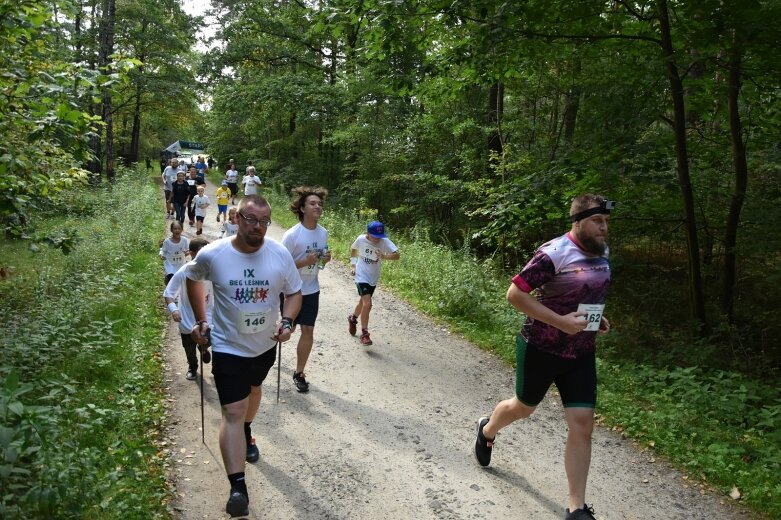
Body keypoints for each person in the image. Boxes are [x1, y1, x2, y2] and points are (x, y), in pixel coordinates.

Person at [473, 194, 613, 520]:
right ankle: (487, 430)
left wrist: (596, 319)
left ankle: (576, 507)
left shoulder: (602, 252)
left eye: (607, 222)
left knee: (582, 425)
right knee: (523, 408)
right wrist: (562, 322)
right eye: (598, 221)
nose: (605, 228)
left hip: (580, 353)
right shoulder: (554, 253)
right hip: (541, 347)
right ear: (578, 221)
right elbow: (515, 294)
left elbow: (587, 292)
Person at [186, 195, 302, 518]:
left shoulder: (278, 254)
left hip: (264, 346)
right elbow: (192, 278)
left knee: (253, 392)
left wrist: (289, 321)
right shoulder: (214, 254)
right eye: (251, 220)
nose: (258, 227)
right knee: (233, 409)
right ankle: (238, 487)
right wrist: (201, 320)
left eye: (264, 222)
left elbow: (294, 292)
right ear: (236, 218)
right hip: (227, 346)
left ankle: (248, 430)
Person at [281, 187, 331, 392]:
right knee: (288, 331)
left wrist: (324, 260)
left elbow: (319, 263)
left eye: (319, 204)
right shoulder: (292, 235)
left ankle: (299, 372)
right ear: (302, 208)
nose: (317, 206)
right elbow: (281, 267)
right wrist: (303, 262)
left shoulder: (323, 233)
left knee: (308, 329)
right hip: (291, 291)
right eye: (312, 203)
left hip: (312, 289)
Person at [164, 236, 212, 380]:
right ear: (191, 253)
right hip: (187, 318)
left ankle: (203, 349)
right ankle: (192, 366)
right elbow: (169, 293)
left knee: (208, 339)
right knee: (189, 347)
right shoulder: (184, 271)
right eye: (201, 252)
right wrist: (174, 309)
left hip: (208, 316)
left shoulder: (214, 271)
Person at [347, 221, 400, 346]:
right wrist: (353, 265)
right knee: (368, 304)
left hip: (373, 277)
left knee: (363, 302)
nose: (377, 239)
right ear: (368, 233)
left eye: (379, 236)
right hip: (361, 276)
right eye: (375, 236)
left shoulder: (384, 241)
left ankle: (353, 318)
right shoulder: (361, 239)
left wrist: (385, 256)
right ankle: (365, 334)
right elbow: (354, 249)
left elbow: (397, 255)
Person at [160, 220, 189, 286]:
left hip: (181, 263)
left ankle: (178, 292)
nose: (177, 230)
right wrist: (162, 255)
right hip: (170, 263)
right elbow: (163, 251)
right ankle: (169, 285)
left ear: (182, 230)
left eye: (179, 229)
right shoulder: (167, 242)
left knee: (180, 279)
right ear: (171, 230)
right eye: (175, 229)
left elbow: (187, 250)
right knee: (171, 278)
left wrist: (187, 253)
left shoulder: (184, 240)